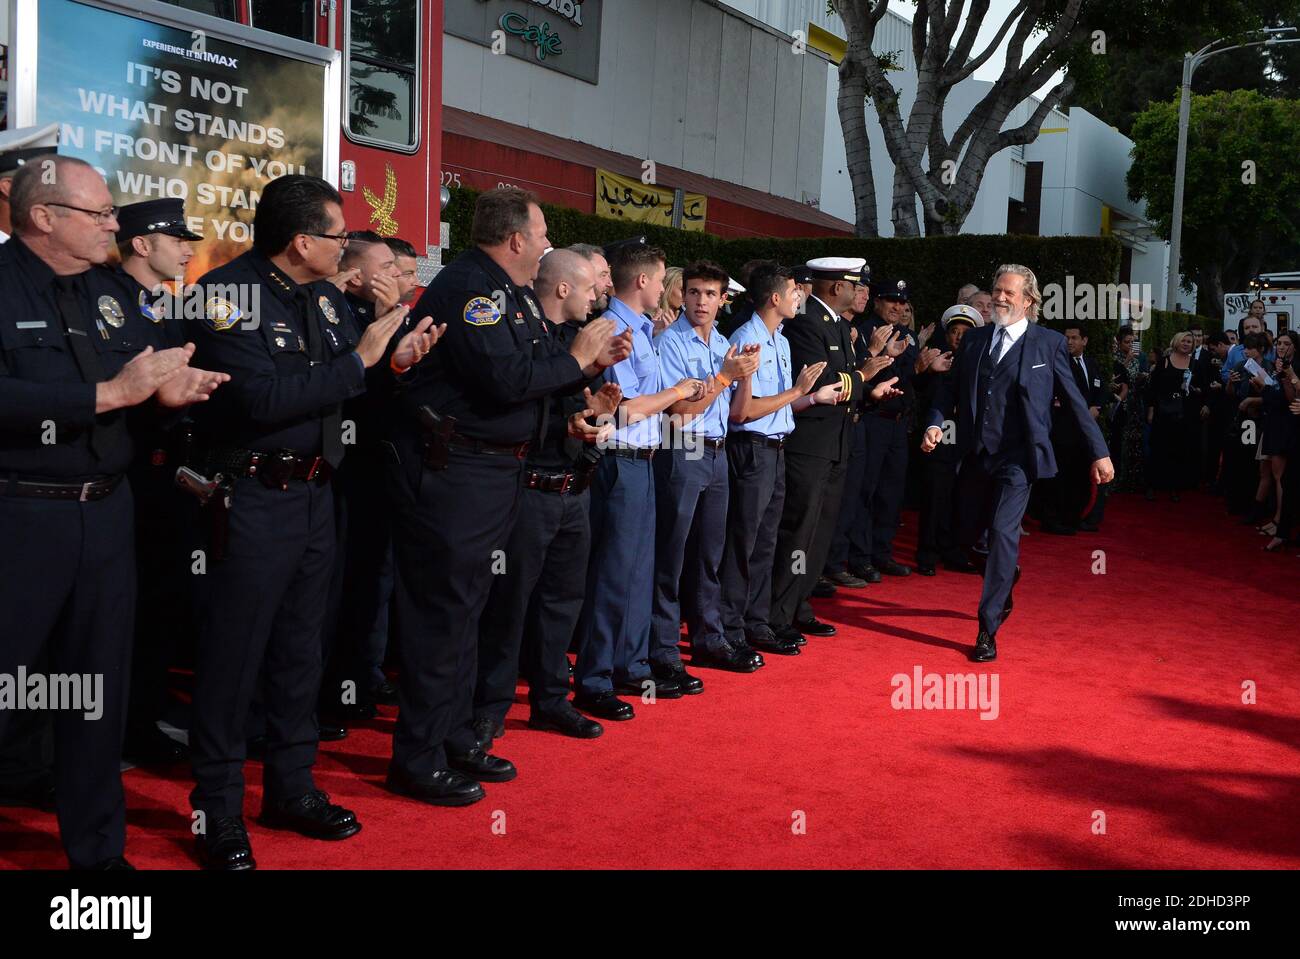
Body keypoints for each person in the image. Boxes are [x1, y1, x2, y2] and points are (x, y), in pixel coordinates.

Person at [186, 175, 435, 869]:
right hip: (251, 497)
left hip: (316, 497)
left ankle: (291, 789)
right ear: (303, 241)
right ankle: (216, 811)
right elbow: (258, 400)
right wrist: (361, 361)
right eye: (336, 233)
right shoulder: (225, 295)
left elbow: (346, 390)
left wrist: (391, 365)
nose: (347, 244)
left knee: (302, 654)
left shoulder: (325, 300)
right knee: (233, 663)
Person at [0, 155, 227, 868]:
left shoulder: (111, 294)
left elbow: (140, 380)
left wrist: (167, 393)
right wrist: (104, 396)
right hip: (18, 516)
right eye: (98, 214)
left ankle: (98, 855)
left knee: (96, 694)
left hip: (106, 517)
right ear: (45, 217)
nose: (111, 225)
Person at [383, 188, 629, 801]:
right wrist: (578, 358)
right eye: (542, 234)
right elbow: (506, 379)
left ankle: (453, 735)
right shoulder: (473, 289)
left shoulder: (508, 294)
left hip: (490, 474)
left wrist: (584, 376)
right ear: (515, 239)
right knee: (442, 615)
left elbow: (539, 372)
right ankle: (416, 756)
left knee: (468, 613)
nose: (548, 246)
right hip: (456, 471)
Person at [923, 264, 1112, 662]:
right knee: (967, 536)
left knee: (1003, 531)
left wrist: (1099, 451)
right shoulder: (973, 340)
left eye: (1009, 293)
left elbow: (1076, 403)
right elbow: (949, 390)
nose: (1000, 298)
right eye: (997, 290)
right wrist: (936, 424)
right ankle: (1005, 573)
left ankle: (987, 628)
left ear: (1029, 300)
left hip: (1020, 458)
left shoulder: (1048, 344)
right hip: (976, 454)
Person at [474, 249, 615, 742]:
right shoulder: (523, 339)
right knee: (509, 604)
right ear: (562, 289)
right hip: (528, 490)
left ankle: (549, 700)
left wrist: (593, 414)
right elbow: (515, 403)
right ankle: (488, 708)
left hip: (574, 492)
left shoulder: (573, 344)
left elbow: (576, 412)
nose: (599, 295)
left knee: (563, 602)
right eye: (591, 287)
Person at [573, 242, 702, 719]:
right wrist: (677, 392)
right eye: (663, 276)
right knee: (611, 572)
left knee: (638, 569)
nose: (668, 285)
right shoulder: (614, 330)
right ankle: (595, 679)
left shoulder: (644, 330)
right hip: (618, 457)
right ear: (644, 281)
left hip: (643, 459)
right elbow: (623, 410)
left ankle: (631, 664)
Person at [113, 198, 205, 767]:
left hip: (167, 476)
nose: (188, 248)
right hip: (124, 478)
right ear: (142, 244)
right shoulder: (109, 303)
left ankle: (142, 719)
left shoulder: (164, 306)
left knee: (159, 609)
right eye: (176, 239)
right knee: (123, 613)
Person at [722, 263, 846, 657]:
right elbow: (745, 412)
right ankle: (731, 626)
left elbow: (782, 406)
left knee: (767, 542)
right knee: (743, 542)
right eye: (795, 291)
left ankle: (758, 622)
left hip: (777, 449)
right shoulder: (747, 339)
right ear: (775, 298)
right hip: (752, 449)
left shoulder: (781, 340)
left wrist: (807, 396)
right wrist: (797, 391)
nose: (800, 297)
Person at [318, 230, 413, 729]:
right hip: (336, 471)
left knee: (372, 583)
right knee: (337, 588)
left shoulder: (385, 319)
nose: (396, 279)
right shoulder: (331, 314)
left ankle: (360, 678)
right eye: (388, 269)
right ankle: (332, 690)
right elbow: (348, 390)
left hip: (379, 467)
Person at [651, 261, 761, 675]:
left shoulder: (721, 344)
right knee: (671, 555)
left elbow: (737, 413)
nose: (701, 301)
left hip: (717, 452)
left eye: (710, 294)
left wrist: (744, 375)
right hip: (681, 449)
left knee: (709, 555)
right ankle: (662, 649)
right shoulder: (670, 343)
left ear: (722, 299)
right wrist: (723, 376)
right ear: (682, 294)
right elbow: (678, 413)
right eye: (694, 292)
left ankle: (708, 639)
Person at [768, 258, 878, 644]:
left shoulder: (833, 323)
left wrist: (863, 384)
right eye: (854, 283)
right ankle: (777, 614)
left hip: (834, 443)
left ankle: (799, 605)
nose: (859, 290)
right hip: (809, 445)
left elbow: (842, 382)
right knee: (798, 531)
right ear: (836, 287)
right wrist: (864, 377)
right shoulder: (807, 322)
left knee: (819, 533)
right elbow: (827, 382)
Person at [850, 278, 926, 580]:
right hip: (873, 419)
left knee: (891, 493)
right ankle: (859, 556)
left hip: (898, 425)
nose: (897, 306)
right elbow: (863, 376)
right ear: (877, 302)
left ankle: (882, 552)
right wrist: (887, 356)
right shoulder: (866, 331)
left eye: (901, 301)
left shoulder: (908, 335)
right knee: (866, 490)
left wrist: (920, 369)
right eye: (891, 300)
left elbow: (909, 380)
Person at [914, 304, 981, 574]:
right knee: (935, 497)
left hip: (968, 440)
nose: (959, 337)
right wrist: (930, 371)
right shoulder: (934, 360)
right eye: (954, 331)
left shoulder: (979, 362)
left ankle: (953, 550)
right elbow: (921, 396)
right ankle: (927, 554)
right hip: (939, 437)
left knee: (961, 498)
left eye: (966, 332)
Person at [1041, 322, 1105, 533]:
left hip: (1084, 434)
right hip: (1062, 430)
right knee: (1060, 476)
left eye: (1074, 338)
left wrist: (1097, 406)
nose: (1069, 342)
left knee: (1078, 476)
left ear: (1084, 341)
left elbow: (1100, 388)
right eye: (1066, 337)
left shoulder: (1091, 363)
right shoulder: (1060, 362)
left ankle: (1073, 517)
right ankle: (1053, 519)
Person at [1145, 331, 1206, 502]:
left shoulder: (1196, 364)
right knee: (1157, 448)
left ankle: (1174, 486)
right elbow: (1153, 388)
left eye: (1190, 341)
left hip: (1185, 414)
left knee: (1178, 450)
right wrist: (1150, 410)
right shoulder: (1163, 362)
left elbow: (1203, 388)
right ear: (1176, 342)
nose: (1186, 344)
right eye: (1184, 341)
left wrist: (1195, 390)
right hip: (1162, 413)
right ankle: (1151, 485)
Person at [1260, 331, 1298, 549]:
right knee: (1280, 477)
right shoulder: (1277, 366)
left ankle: (1280, 523)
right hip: (1276, 424)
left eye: (1287, 343)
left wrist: (1287, 376)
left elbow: (1293, 398)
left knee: (1282, 478)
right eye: (1279, 343)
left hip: (1290, 428)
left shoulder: (1293, 367)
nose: (1282, 347)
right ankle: (1280, 524)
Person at [384, 236, 421, 305]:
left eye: (416, 273)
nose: (417, 283)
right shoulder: (358, 314)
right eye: (408, 274)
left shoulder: (405, 313)